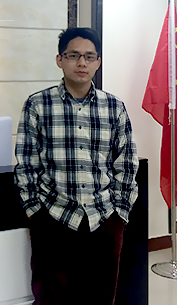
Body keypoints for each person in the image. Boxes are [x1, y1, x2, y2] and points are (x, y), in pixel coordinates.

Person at [14, 27, 138, 305]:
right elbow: (26, 164)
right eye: (73, 55)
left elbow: (126, 163)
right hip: (53, 218)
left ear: (98, 62)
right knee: (50, 299)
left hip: (104, 219)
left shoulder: (114, 107)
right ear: (60, 59)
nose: (82, 63)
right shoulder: (38, 104)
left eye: (89, 56)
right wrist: (36, 213)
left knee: (100, 298)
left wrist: (120, 214)